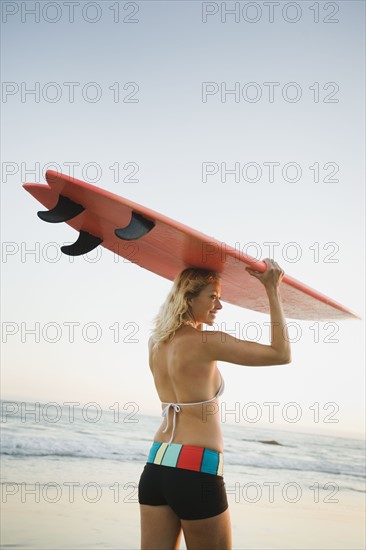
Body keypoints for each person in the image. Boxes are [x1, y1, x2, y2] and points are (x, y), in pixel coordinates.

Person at [138, 259, 291, 550]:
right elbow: (280, 353)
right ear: (189, 297)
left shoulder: (155, 343)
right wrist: (272, 290)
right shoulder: (206, 342)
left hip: (156, 467)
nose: (219, 306)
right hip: (195, 470)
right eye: (212, 297)